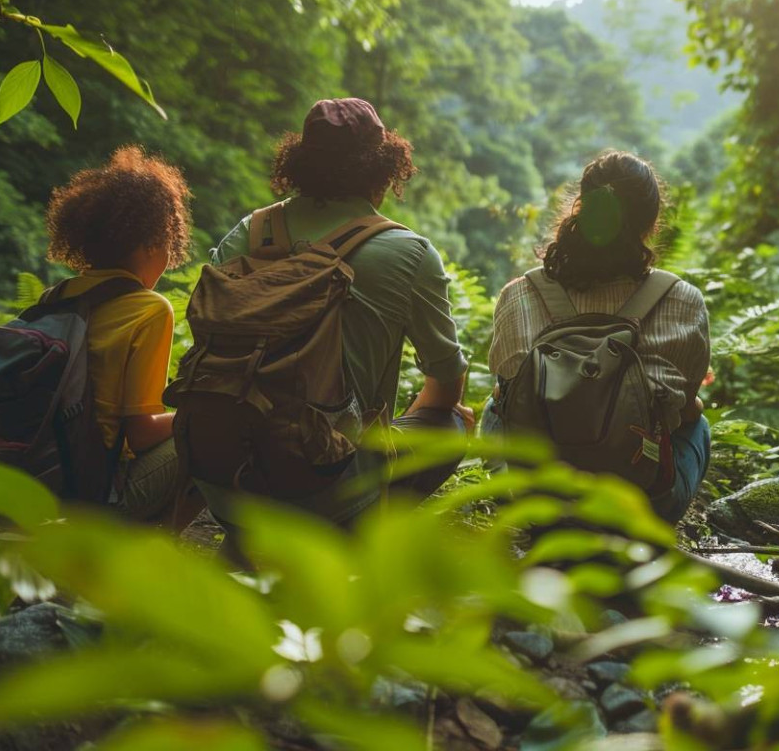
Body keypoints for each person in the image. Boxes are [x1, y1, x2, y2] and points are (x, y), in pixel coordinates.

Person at [202, 97, 473, 527]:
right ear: (385, 167)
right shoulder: (409, 252)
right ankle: (360, 527)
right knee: (452, 423)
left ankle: (245, 541)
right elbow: (445, 387)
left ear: (300, 162)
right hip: (326, 482)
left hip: (225, 479)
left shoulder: (247, 234)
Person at [484, 151, 712, 523]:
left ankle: (523, 508)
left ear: (581, 209)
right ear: (651, 222)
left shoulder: (520, 293)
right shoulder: (682, 299)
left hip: (538, 506)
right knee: (697, 424)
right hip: (637, 507)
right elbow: (684, 410)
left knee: (497, 405)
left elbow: (507, 394)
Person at [44, 145, 199, 525]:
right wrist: (196, 413)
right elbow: (142, 434)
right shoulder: (149, 308)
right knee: (206, 436)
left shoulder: (56, 297)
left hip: (41, 483)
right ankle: (142, 563)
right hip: (97, 494)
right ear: (153, 243)